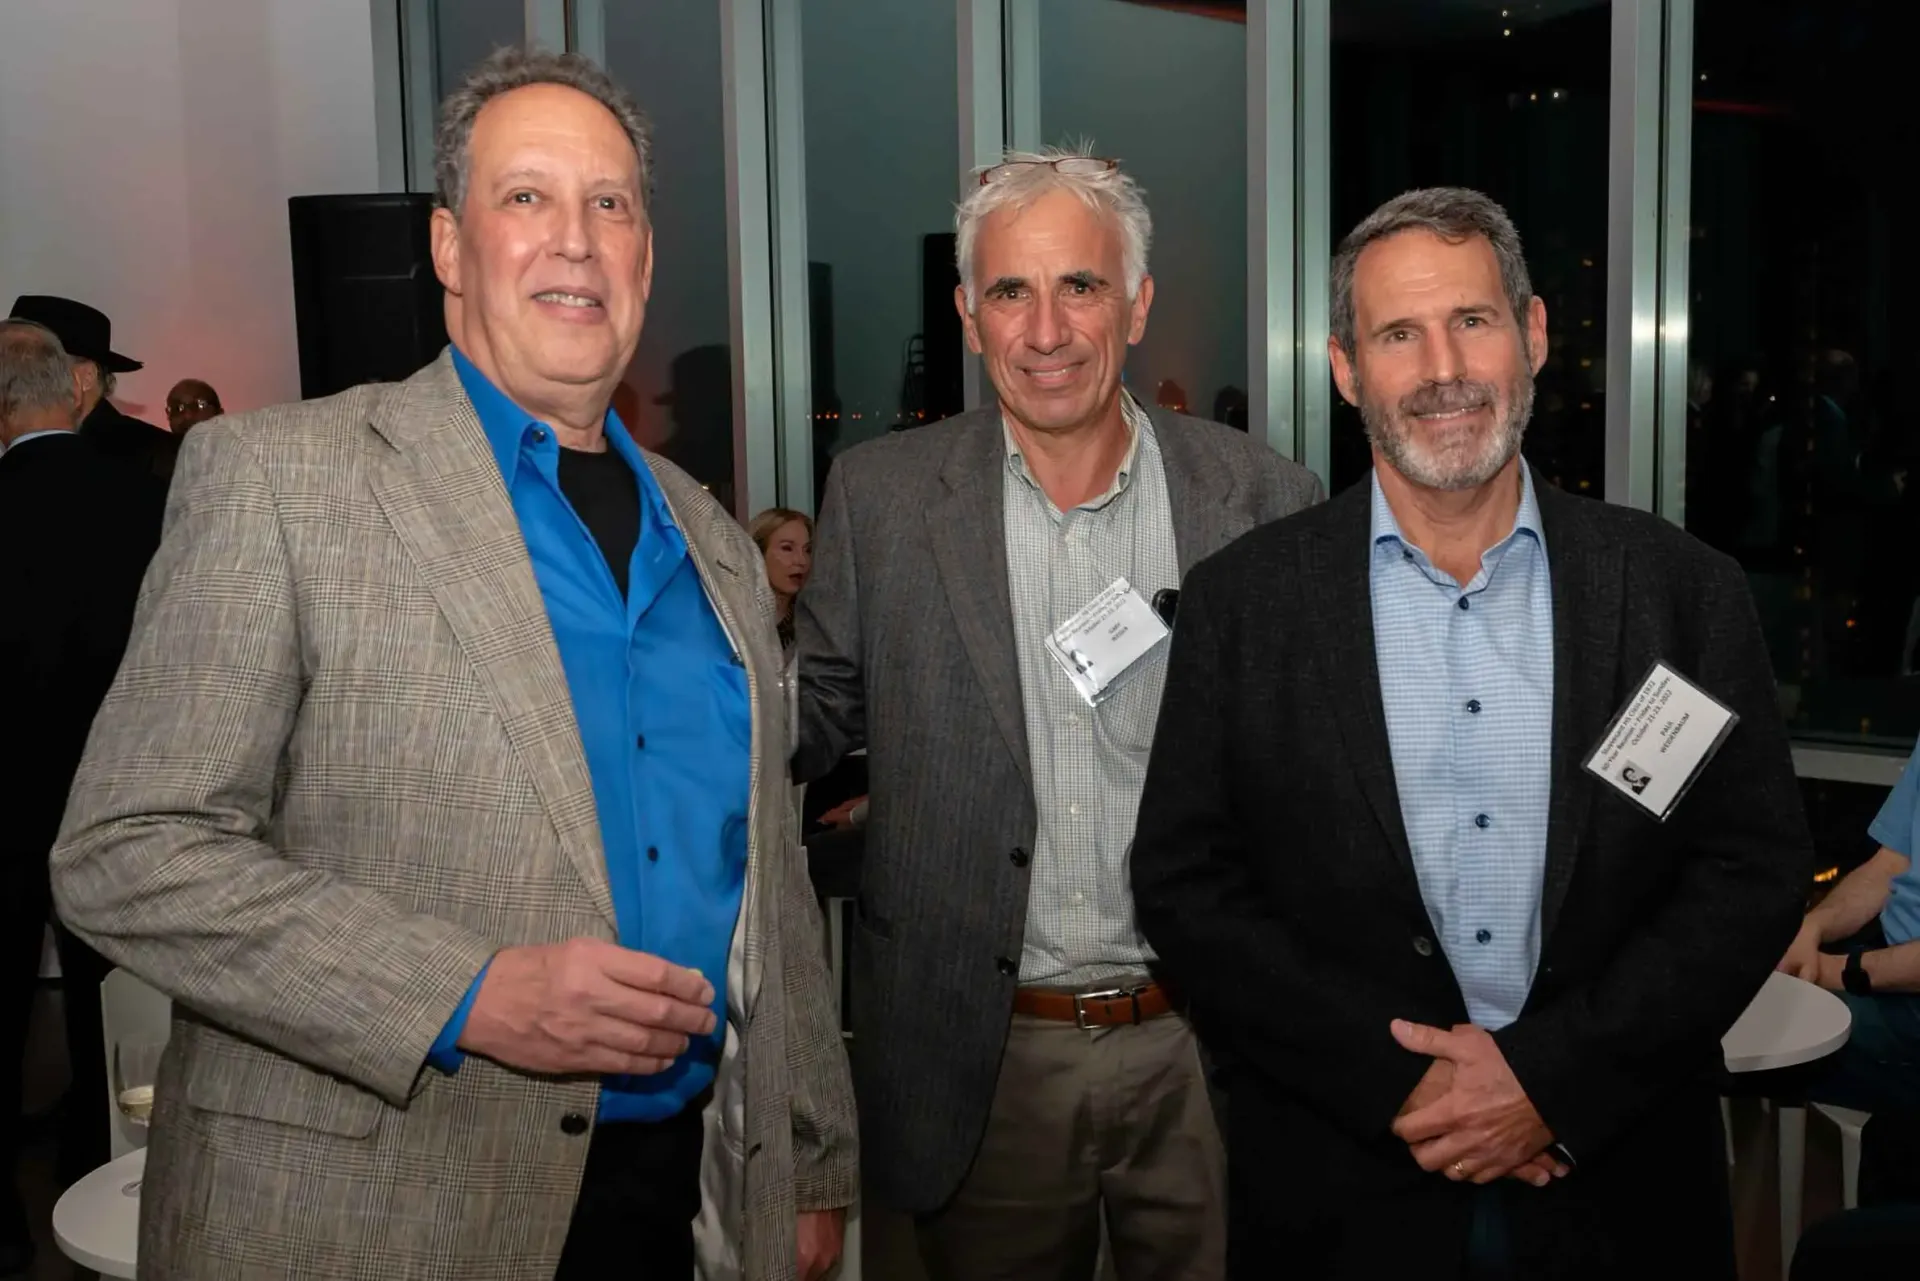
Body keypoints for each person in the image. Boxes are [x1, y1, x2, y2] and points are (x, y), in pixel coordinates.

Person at [50, 46, 853, 1281]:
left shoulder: (712, 539)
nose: (575, 238)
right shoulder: (280, 480)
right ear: (448, 246)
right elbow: (126, 851)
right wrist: (468, 993)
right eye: (527, 196)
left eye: (610, 203)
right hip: (371, 1213)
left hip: (676, 1194)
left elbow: (769, 880)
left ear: (644, 255)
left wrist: (806, 1156)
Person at [1130, 187, 1810, 1279]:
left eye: (1473, 320)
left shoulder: (1682, 591)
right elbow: (1186, 886)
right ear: (1347, 369)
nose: (1442, 368)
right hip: (1344, 1187)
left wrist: (1552, 1081)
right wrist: (1400, 1081)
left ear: (1531, 335)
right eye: (1399, 334)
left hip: (1621, 1180)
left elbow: (1750, 871)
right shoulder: (1243, 605)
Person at [795, 145, 1323, 1281]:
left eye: (1079, 286)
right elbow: (810, 716)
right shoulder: (881, 500)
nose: (1046, 330)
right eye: (1010, 291)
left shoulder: (1264, 499)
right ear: (967, 315)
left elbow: (1322, 773)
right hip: (984, 1061)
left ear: (1136, 304)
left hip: (1211, 1048)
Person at [0, 320, 164, 1273]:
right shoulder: (141, 500)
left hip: (6, 800)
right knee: (121, 1015)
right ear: (76, 391)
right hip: (114, 795)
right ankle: (106, 1191)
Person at [1776, 733, 1920, 1113]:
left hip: (1904, 1003)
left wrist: (1834, 971)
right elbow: (1889, 865)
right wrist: (1812, 928)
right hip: (1887, 970)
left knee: (1710, 1035)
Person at [6, 295, 177, 482]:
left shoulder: (157, 454)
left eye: (37, 369)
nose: (12, 381)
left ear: (85, 376)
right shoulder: (21, 449)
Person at [748, 507, 813, 652]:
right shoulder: (737, 620)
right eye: (787, 548)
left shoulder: (813, 623)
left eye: (808, 550)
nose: (801, 561)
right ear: (758, 553)